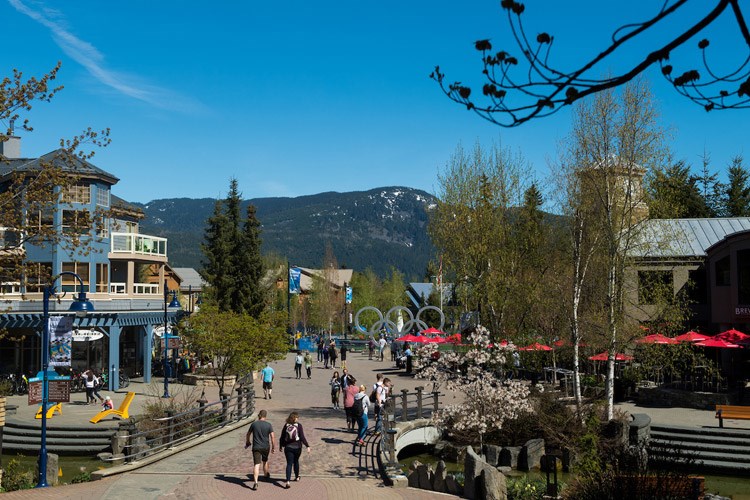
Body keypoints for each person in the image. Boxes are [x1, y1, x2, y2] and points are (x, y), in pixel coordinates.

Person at [279, 411, 311, 489]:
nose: (298, 418)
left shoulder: (286, 425)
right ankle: (297, 477)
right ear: (295, 418)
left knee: (289, 464)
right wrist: (307, 446)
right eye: (297, 417)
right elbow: (302, 437)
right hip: (297, 447)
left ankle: (288, 481)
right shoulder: (299, 426)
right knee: (296, 462)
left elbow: (282, 437)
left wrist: (281, 445)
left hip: (288, 447)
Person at [246, 409, 275, 490]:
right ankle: (266, 474)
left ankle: (256, 482)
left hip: (256, 447)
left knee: (256, 464)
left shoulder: (254, 424)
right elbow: (272, 437)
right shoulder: (269, 425)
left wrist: (248, 441)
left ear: (259, 415)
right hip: (265, 446)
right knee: (265, 461)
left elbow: (248, 434)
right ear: (265, 416)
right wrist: (273, 447)